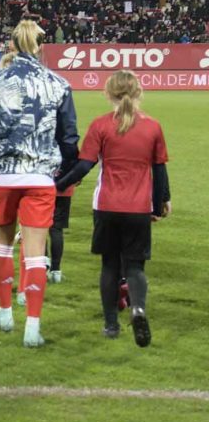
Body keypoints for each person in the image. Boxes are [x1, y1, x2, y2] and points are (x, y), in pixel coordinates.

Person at [0, 20, 79, 348]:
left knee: (1, 245)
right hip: (41, 177)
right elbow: (69, 137)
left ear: (12, 45)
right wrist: (65, 172)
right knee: (33, 253)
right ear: (41, 46)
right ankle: (32, 325)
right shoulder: (58, 83)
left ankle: (4, 312)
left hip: (3, 175)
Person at [55, 70, 170, 347]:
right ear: (138, 92)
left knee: (109, 265)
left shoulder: (101, 125)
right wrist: (160, 201)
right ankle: (138, 309)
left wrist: (59, 185)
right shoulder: (152, 126)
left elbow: (85, 165)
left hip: (106, 205)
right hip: (138, 207)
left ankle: (110, 325)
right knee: (135, 266)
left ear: (108, 93)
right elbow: (159, 168)